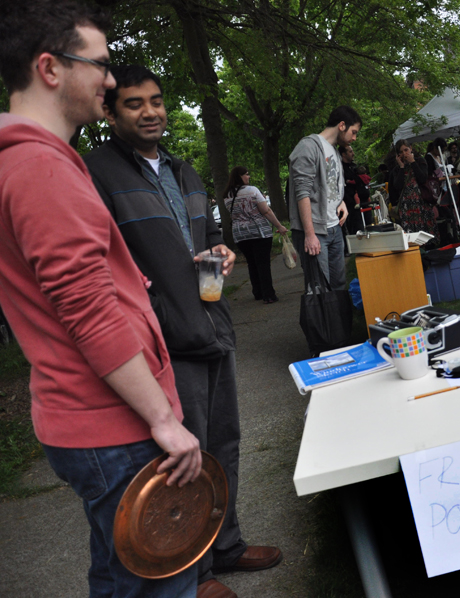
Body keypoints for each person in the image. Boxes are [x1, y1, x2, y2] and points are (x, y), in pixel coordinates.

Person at [0, 3, 202, 596]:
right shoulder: (41, 168)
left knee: (117, 579)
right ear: (50, 68)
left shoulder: (29, 161)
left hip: (90, 419)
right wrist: (163, 420)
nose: (110, 81)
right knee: (161, 583)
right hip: (112, 423)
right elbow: (87, 310)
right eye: (100, 65)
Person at [84, 65, 282, 598]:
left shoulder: (184, 169)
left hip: (212, 322)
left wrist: (222, 251)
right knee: (185, 457)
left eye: (156, 100)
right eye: (134, 103)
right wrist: (153, 305)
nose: (150, 112)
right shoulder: (97, 172)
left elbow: (211, 231)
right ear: (109, 113)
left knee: (225, 443)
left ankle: (226, 546)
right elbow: (100, 263)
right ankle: (196, 574)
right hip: (163, 340)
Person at [288, 105, 359, 292]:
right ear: (342, 125)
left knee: (339, 285)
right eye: (353, 132)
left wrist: (340, 202)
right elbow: (302, 193)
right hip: (315, 231)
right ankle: (322, 314)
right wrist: (310, 235)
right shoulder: (308, 147)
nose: (354, 138)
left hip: (334, 227)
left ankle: (338, 313)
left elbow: (328, 186)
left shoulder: (334, 150)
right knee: (319, 289)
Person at [223, 166, 289, 304]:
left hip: (240, 235)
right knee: (263, 263)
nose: (249, 177)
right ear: (240, 176)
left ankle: (257, 292)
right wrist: (279, 226)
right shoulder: (252, 190)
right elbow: (266, 211)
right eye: (246, 174)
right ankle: (269, 295)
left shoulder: (227, 195)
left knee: (252, 263)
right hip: (259, 232)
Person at [388, 138, 440, 243]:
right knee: (411, 234)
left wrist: (413, 162)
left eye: (406, 150)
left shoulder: (420, 161)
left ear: (410, 148)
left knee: (426, 231)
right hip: (406, 206)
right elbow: (397, 186)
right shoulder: (396, 169)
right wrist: (401, 167)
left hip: (422, 202)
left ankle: (430, 247)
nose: (404, 154)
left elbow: (423, 178)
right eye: (401, 152)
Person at [338, 144, 371, 235]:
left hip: (364, 202)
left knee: (370, 227)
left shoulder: (354, 167)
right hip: (352, 206)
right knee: (358, 230)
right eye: (350, 151)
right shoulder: (341, 169)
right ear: (343, 154)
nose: (353, 153)